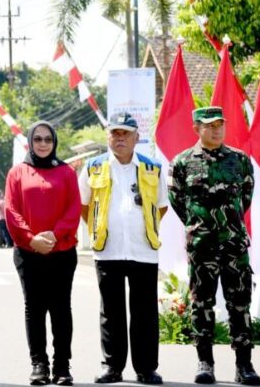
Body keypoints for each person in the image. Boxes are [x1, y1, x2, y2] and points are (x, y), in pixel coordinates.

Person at [168, 107, 260, 385]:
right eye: (210, 126)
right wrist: (200, 227)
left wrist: (227, 226)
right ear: (196, 128)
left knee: (240, 304)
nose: (216, 130)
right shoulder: (182, 162)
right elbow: (177, 200)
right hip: (202, 247)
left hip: (234, 245)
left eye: (220, 124)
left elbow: (246, 197)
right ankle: (205, 362)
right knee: (202, 305)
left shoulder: (240, 160)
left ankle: (244, 365)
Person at [78, 113, 168, 385]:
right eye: (115, 133)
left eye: (125, 133)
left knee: (145, 312)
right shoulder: (93, 167)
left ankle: (146, 368)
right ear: (108, 136)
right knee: (111, 311)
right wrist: (102, 227)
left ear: (136, 138)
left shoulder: (153, 167)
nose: (120, 138)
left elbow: (162, 205)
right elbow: (84, 205)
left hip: (144, 249)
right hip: (108, 250)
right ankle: (112, 366)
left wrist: (143, 228)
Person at [5, 121, 81, 386]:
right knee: (34, 309)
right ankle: (39, 363)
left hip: (61, 251)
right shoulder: (17, 173)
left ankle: (62, 366)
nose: (43, 144)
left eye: (48, 139)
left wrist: (54, 234)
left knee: (61, 309)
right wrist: (30, 238)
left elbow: (74, 209)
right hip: (29, 253)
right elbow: (11, 211)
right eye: (37, 139)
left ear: (55, 142)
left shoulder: (67, 172)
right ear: (30, 141)